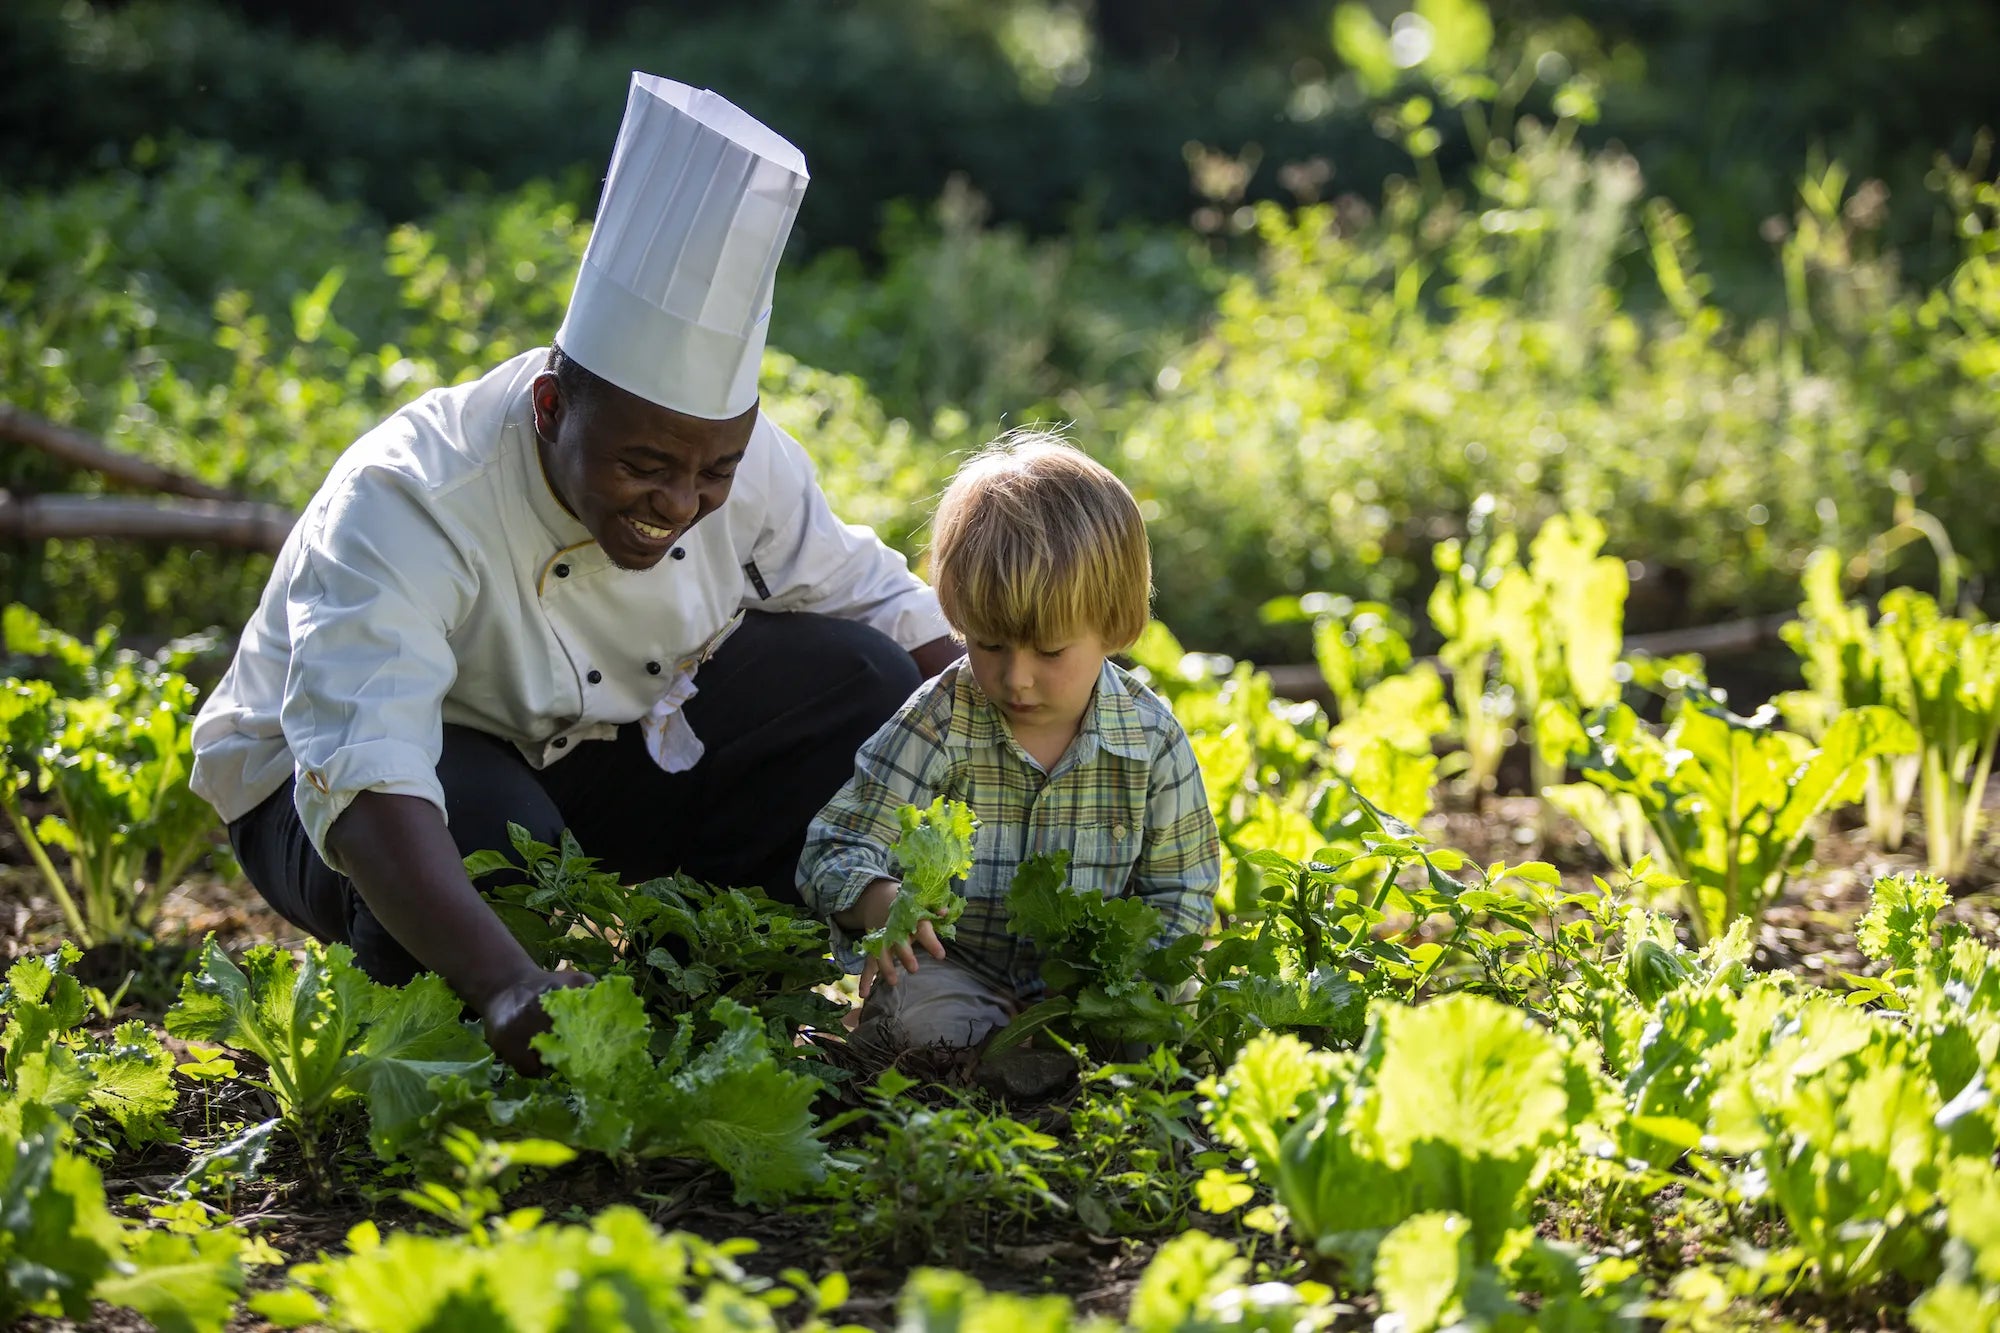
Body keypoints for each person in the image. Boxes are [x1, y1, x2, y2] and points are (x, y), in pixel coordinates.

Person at [189, 74, 959, 1074]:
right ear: (552, 407)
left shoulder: (743, 464)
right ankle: (453, 1014)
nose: (679, 502)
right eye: (644, 464)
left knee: (858, 682)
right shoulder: (411, 495)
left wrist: (1052, 734)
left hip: (588, 745)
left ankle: (716, 985)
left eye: (712, 470)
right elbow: (366, 771)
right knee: (494, 838)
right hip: (329, 788)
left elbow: (889, 611)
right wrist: (507, 986)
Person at [797, 431, 1221, 1058]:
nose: (1016, 678)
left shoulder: (1150, 740)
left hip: (1093, 985)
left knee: (1172, 1018)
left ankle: (1050, 1054)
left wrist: (1129, 987)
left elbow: (1181, 893)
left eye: (1050, 652)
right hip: (961, 969)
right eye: (989, 644)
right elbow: (835, 846)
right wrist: (880, 901)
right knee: (915, 1020)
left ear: (1115, 628)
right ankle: (1005, 1057)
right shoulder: (940, 722)